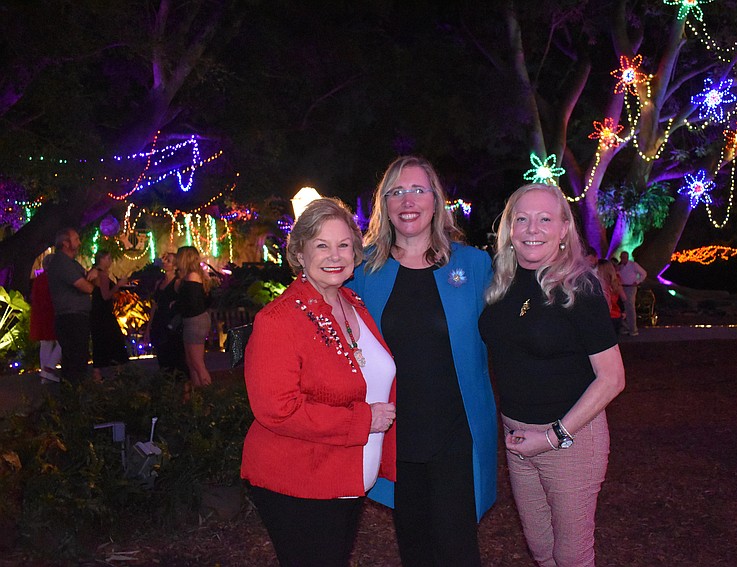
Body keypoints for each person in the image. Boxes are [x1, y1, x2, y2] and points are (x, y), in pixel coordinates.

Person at [348, 156, 497, 566]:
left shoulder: (474, 265)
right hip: (396, 431)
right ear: (384, 204)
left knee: (458, 550)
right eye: (396, 192)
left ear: (436, 200)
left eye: (417, 189)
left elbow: (509, 335)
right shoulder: (363, 270)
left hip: (457, 432)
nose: (407, 200)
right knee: (415, 550)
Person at [241, 198, 397, 566]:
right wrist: (364, 421)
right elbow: (277, 410)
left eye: (344, 244)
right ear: (299, 252)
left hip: (347, 478)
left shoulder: (353, 302)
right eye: (322, 245)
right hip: (301, 481)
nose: (335, 255)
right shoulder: (278, 321)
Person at [478, 183, 626, 567]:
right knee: (542, 550)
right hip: (517, 436)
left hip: (569, 439)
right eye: (522, 219)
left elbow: (612, 378)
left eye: (545, 219)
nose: (532, 229)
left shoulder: (580, 287)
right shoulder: (502, 283)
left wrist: (553, 436)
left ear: (564, 229)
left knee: (571, 557)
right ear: (509, 229)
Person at [47, 228, 96, 384]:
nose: (79, 243)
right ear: (65, 243)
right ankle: (73, 393)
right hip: (71, 317)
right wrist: (92, 282)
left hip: (76, 316)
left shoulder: (71, 263)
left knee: (76, 358)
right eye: (76, 239)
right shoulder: (62, 262)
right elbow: (86, 287)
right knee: (75, 360)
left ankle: (73, 392)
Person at [88, 251, 130, 382]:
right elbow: (106, 296)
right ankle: (118, 371)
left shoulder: (94, 273)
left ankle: (98, 372)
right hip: (104, 314)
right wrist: (118, 285)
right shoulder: (102, 275)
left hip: (97, 313)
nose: (111, 261)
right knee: (116, 340)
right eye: (109, 258)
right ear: (102, 259)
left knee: (100, 341)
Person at [174, 246, 212, 390]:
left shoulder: (192, 277)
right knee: (191, 362)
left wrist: (177, 304)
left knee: (197, 363)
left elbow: (192, 303)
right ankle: (198, 392)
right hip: (192, 320)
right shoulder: (192, 276)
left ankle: (209, 392)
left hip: (195, 320)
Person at [147, 252, 186, 374]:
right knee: (161, 356)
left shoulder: (177, 282)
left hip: (171, 323)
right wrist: (149, 326)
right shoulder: (160, 282)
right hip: (159, 321)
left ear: (175, 266)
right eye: (165, 260)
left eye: (168, 261)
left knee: (173, 355)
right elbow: (155, 305)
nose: (164, 262)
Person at [30, 254, 61, 384]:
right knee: (62, 341)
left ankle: (45, 373)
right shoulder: (53, 278)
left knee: (45, 344)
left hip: (40, 315)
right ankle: (49, 369)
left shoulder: (39, 279)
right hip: (50, 314)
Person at [616, 250, 646, 336]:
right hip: (622, 287)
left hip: (631, 287)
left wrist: (637, 281)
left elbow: (644, 273)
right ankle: (627, 327)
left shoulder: (633, 265)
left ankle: (633, 329)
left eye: (624, 257)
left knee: (630, 308)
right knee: (624, 308)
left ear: (627, 257)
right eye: (621, 257)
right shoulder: (620, 266)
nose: (622, 259)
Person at [597, 258, 626, 334]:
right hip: (616, 315)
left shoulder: (601, 284)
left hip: (606, 316)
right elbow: (624, 298)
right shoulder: (615, 282)